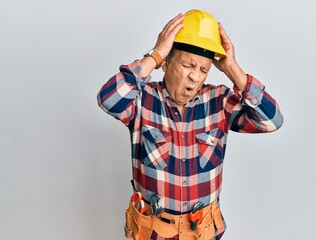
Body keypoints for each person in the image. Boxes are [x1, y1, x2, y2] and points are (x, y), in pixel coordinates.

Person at [97, 9, 283, 240]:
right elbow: (108, 99)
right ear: (166, 63)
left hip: (203, 232)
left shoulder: (220, 101)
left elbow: (271, 121)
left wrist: (233, 69)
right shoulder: (141, 100)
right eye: (188, 65)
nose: (195, 76)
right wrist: (155, 55)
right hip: (153, 232)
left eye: (203, 69)